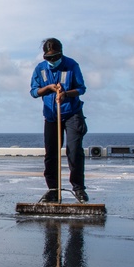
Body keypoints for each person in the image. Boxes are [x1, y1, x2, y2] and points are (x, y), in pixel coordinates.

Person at [30, 38, 88, 203]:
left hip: (72, 113)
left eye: (55, 57)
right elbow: (33, 92)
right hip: (51, 116)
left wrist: (66, 94)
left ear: (61, 53)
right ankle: (53, 188)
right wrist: (47, 89)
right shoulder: (40, 69)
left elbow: (81, 88)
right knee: (51, 154)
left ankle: (78, 188)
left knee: (74, 150)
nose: (52, 61)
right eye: (48, 58)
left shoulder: (72, 65)